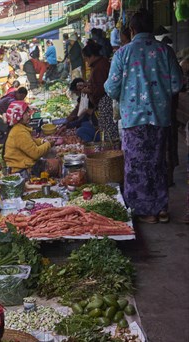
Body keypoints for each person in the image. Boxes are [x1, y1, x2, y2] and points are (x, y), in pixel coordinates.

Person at [104, 9, 183, 223]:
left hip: (132, 119)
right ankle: (161, 209)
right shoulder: (165, 51)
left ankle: (144, 212)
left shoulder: (122, 54)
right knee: (158, 163)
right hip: (159, 117)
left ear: (131, 29)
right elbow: (177, 83)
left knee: (136, 165)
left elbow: (111, 88)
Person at [80, 40, 119, 141]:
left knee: (108, 131)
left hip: (106, 102)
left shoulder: (99, 67)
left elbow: (101, 88)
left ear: (92, 56)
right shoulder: (102, 63)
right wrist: (87, 85)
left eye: (86, 58)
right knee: (107, 129)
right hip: (106, 101)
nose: (86, 61)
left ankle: (110, 152)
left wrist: (89, 90)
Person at [4, 100, 51, 176]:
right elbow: (36, 153)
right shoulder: (19, 132)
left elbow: (30, 141)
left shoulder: (19, 128)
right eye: (25, 113)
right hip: (21, 172)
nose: (29, 114)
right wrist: (49, 144)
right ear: (18, 116)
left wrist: (42, 141)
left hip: (22, 169)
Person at [65, 78, 99, 143]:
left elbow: (84, 116)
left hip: (97, 128)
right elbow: (78, 111)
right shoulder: (84, 98)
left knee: (80, 130)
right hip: (93, 123)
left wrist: (71, 123)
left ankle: (90, 144)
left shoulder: (90, 99)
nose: (77, 94)